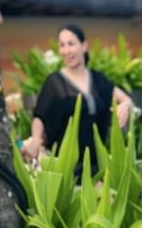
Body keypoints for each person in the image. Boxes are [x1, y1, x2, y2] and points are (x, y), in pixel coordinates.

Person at [18, 24, 133, 172]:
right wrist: (36, 139)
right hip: (66, 165)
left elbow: (125, 99)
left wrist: (125, 105)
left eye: (71, 44)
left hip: (97, 164)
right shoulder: (54, 82)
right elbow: (40, 116)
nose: (66, 51)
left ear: (84, 46)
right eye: (62, 45)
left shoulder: (98, 79)